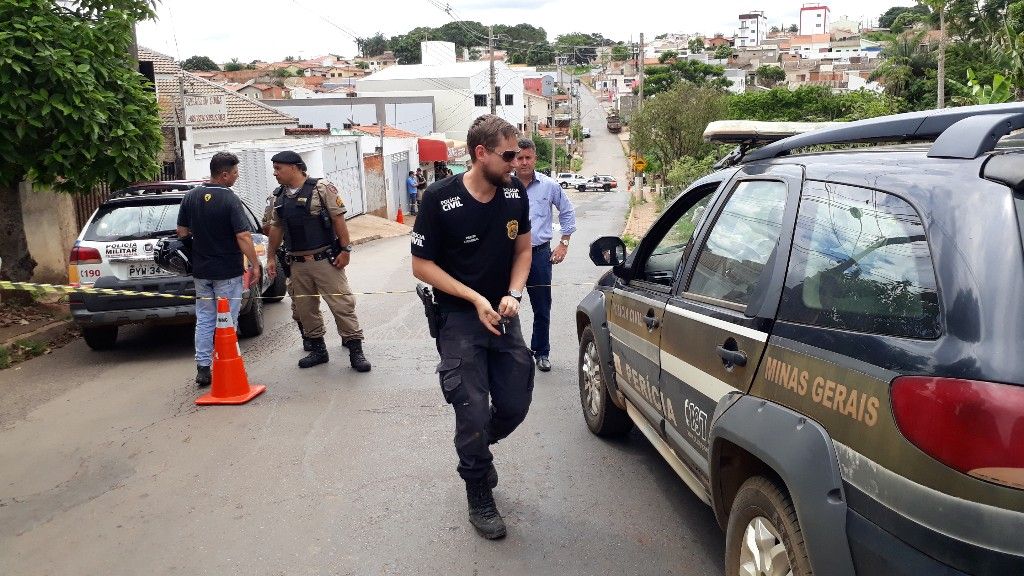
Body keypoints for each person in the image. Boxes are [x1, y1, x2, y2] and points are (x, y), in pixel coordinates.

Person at [411, 114, 534, 540]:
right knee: (473, 409)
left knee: (515, 404)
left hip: (504, 315)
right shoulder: (439, 198)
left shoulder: (515, 192)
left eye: (518, 155)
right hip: (460, 318)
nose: (516, 163)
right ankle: (478, 486)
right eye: (508, 155)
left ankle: (478, 447)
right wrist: (476, 298)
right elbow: (420, 265)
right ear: (480, 154)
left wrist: (513, 294)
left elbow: (523, 251)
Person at [265, 151, 371, 373]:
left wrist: (345, 249)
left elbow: (338, 219)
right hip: (296, 264)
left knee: (342, 305)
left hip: (325, 260)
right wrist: (271, 256)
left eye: (278, 168)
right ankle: (318, 350)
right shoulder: (278, 196)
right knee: (305, 309)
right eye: (274, 169)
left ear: (294, 167)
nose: (275, 173)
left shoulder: (321, 188)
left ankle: (355, 350)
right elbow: (276, 228)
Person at [176, 152, 261, 387]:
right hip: (227, 272)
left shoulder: (191, 197)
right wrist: (255, 263)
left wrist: (200, 246)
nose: (236, 177)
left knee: (204, 318)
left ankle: (203, 368)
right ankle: (226, 363)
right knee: (227, 319)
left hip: (202, 273)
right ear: (224, 175)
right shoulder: (230, 199)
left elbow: (182, 232)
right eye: (234, 173)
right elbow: (243, 236)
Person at [512, 138, 576, 372]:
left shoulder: (549, 186)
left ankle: (542, 352)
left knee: (542, 307)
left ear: (535, 158)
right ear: (514, 160)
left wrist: (564, 244)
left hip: (539, 255)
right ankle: (511, 354)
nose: (524, 162)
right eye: (520, 158)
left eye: (528, 157)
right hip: (509, 258)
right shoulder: (504, 186)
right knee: (507, 305)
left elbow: (567, 212)